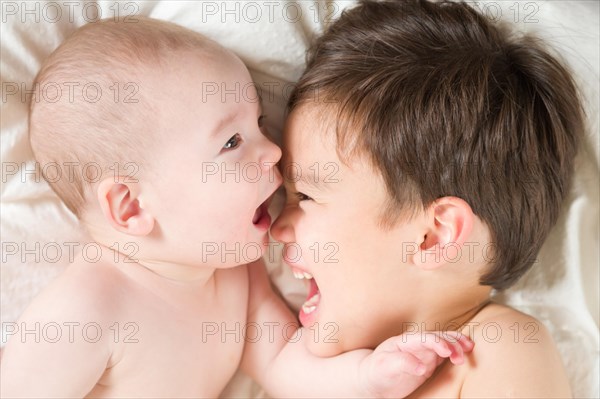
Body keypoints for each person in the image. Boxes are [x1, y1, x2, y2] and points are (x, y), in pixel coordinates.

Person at [0, 16, 471, 398]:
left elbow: (284, 361)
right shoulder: (87, 310)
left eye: (259, 124)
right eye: (231, 141)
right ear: (130, 207)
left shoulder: (234, 274)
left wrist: (370, 377)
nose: (272, 152)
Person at [267, 0, 582, 397]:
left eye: (306, 196)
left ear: (433, 236)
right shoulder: (319, 371)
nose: (278, 227)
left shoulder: (498, 346)